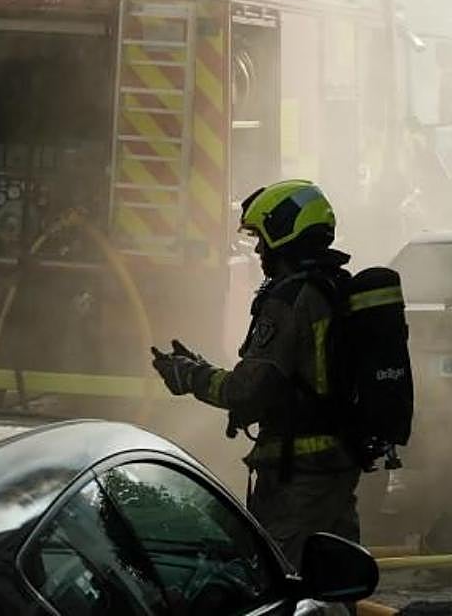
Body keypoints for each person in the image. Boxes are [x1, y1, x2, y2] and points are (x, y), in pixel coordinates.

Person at [151, 179, 360, 567]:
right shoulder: (334, 287)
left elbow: (249, 391)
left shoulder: (289, 299)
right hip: (336, 463)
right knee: (335, 575)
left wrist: (190, 377)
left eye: (262, 238)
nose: (260, 250)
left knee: (281, 577)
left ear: (285, 234)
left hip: (297, 474)